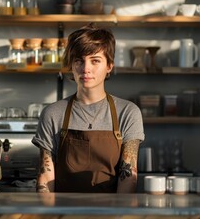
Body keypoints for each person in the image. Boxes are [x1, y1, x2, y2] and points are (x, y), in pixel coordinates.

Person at [32, 23, 145, 193]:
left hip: (112, 212)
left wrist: (120, 217)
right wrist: (48, 215)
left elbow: (128, 176)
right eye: (79, 61)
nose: (86, 69)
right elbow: (46, 176)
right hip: (62, 214)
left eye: (95, 61)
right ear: (71, 65)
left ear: (109, 66)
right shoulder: (53, 114)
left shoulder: (128, 112)